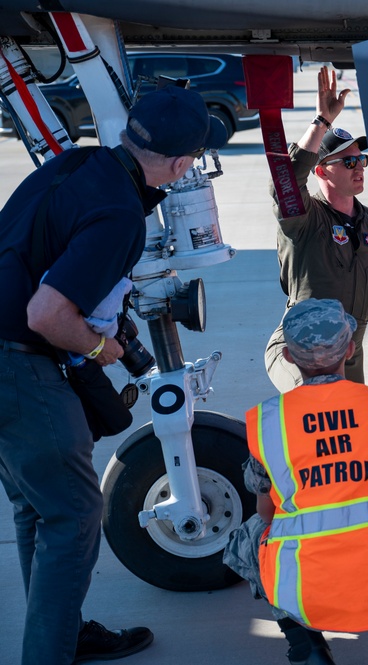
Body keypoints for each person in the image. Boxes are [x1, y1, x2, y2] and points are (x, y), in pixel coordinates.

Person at [0, 85, 226, 665]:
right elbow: (47, 315)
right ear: (181, 165)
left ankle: (64, 632)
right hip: (18, 365)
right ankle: (50, 653)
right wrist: (99, 344)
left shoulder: (77, 161)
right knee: (74, 515)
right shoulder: (120, 211)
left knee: (39, 507)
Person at [224, 299, 368, 665]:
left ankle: (306, 647)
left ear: (289, 358)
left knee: (249, 537)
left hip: (305, 590)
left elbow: (266, 513)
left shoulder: (270, 421)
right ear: (351, 348)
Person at [265, 66, 368, 393]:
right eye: (348, 162)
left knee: (354, 433)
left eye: (362, 161)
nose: (359, 168)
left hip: (348, 353)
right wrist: (321, 122)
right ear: (321, 170)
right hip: (300, 350)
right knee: (319, 403)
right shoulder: (303, 218)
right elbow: (285, 182)